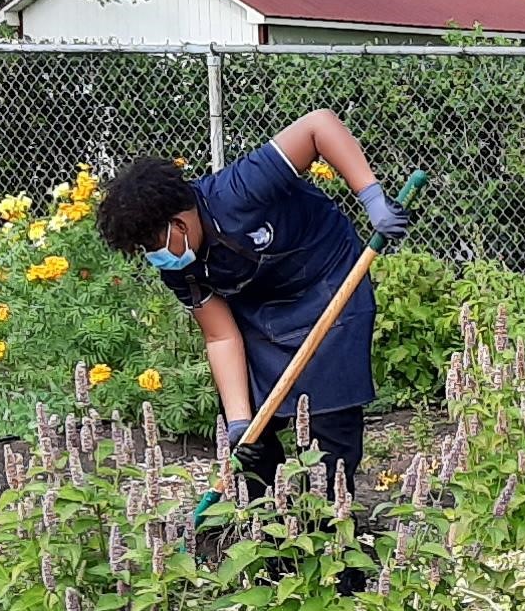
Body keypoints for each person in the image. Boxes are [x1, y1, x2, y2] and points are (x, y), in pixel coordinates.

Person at [91, 110, 409, 501]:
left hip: (327, 279)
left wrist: (372, 197)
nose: (154, 256)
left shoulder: (238, 191)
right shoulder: (180, 264)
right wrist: (241, 421)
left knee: (331, 422)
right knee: (249, 439)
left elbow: (318, 126)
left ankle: (332, 535)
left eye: (153, 244)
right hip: (260, 307)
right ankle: (265, 531)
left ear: (179, 222)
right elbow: (221, 335)